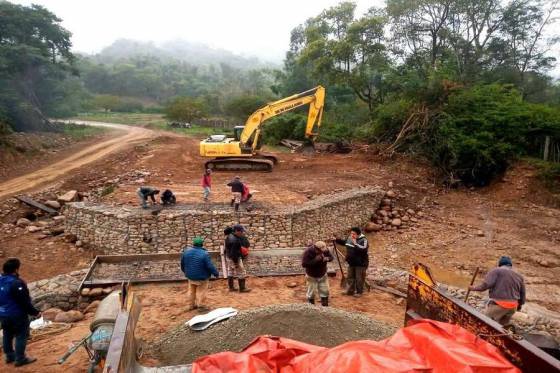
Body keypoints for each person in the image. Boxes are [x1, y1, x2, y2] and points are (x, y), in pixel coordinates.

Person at [0, 258, 39, 367]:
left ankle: (9, 356)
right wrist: (35, 312)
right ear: (16, 269)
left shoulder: (0, 280)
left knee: (7, 334)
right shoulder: (16, 283)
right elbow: (24, 302)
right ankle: (20, 358)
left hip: (3, 314)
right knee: (21, 335)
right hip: (17, 314)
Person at [469, 256, 526, 326]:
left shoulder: (496, 271)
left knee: (484, 324)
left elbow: (486, 285)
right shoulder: (519, 276)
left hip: (500, 304)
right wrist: (519, 306)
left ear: (500, 264)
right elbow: (522, 293)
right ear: (510, 265)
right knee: (501, 328)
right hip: (513, 307)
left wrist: (473, 288)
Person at [180, 237, 219, 312]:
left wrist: (186, 272)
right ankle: (201, 306)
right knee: (201, 291)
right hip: (202, 277)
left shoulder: (186, 252)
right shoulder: (204, 254)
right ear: (202, 244)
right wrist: (216, 273)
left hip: (190, 276)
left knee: (191, 291)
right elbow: (210, 266)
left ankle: (191, 305)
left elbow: (182, 264)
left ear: (193, 244)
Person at [334, 227, 369, 297]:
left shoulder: (364, 240)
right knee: (350, 277)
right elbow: (344, 243)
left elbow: (363, 249)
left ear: (358, 234)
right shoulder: (350, 238)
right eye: (351, 233)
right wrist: (336, 240)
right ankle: (350, 291)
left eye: (354, 234)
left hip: (360, 263)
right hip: (351, 262)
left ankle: (359, 292)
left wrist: (355, 243)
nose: (352, 235)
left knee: (359, 278)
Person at [302, 241, 333, 306]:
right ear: (316, 249)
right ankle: (311, 308)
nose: (322, 253)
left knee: (325, 291)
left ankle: (325, 308)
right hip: (312, 276)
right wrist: (315, 260)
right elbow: (304, 264)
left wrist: (327, 259)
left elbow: (331, 257)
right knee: (311, 293)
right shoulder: (308, 252)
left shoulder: (325, 250)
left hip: (323, 275)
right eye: (321, 252)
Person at [225, 224, 251, 292]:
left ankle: (231, 288)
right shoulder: (235, 240)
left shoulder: (229, 236)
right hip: (234, 257)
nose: (242, 233)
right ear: (236, 231)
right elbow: (234, 253)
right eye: (241, 231)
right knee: (241, 272)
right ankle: (242, 288)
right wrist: (236, 263)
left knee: (230, 271)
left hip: (228, 256)